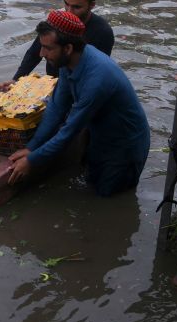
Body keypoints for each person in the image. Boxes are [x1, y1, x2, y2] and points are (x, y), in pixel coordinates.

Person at [8, 10, 150, 196]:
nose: (42, 54)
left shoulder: (97, 79)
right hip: (100, 135)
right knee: (91, 181)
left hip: (124, 147)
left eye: (48, 48)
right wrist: (31, 147)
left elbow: (69, 130)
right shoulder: (70, 63)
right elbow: (56, 108)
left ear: (67, 48)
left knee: (108, 197)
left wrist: (32, 160)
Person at [12, 0, 115, 81]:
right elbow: (34, 54)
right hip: (53, 81)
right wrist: (15, 81)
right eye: (66, 4)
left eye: (76, 7)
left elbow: (96, 72)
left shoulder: (103, 32)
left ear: (92, 5)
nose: (69, 12)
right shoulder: (58, 21)